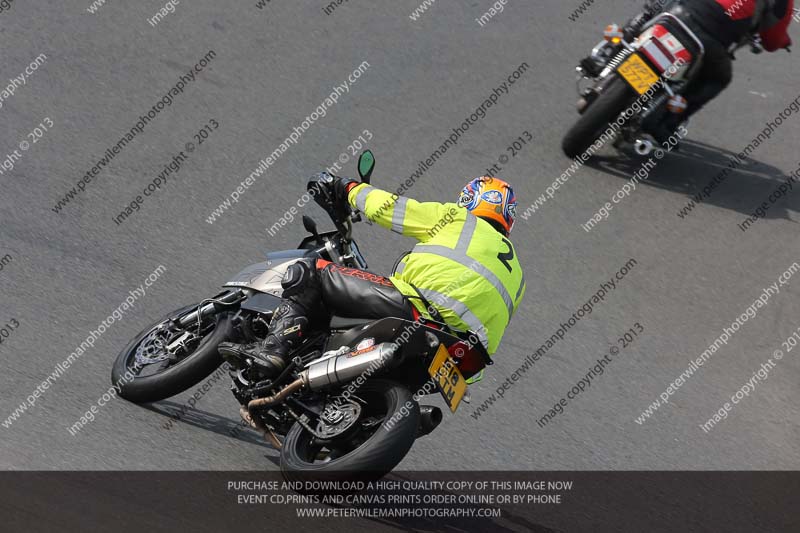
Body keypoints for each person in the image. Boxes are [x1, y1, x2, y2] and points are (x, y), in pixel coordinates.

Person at [219, 175, 526, 383]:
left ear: (470, 200)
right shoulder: (518, 275)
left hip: (416, 310)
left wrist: (348, 187)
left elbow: (391, 208)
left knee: (309, 271)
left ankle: (274, 350)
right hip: (464, 357)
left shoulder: (459, 220)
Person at [626, 0, 794, 143]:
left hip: (678, 13)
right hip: (710, 39)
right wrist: (784, 40)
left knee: (649, 13)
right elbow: (773, 40)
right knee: (720, 78)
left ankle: (618, 43)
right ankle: (663, 120)